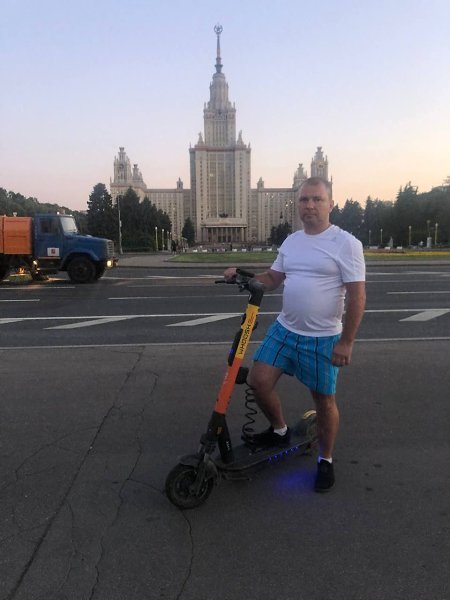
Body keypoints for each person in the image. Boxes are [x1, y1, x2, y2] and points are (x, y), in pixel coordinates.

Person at [224, 176, 366, 492]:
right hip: (285, 329)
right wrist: (244, 276)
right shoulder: (292, 242)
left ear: (330, 204)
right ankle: (280, 430)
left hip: (323, 338)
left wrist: (347, 342)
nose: (309, 205)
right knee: (258, 381)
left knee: (324, 401)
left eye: (317, 199)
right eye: (304, 199)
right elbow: (273, 278)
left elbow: (358, 296)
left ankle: (325, 459)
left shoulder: (346, 244)